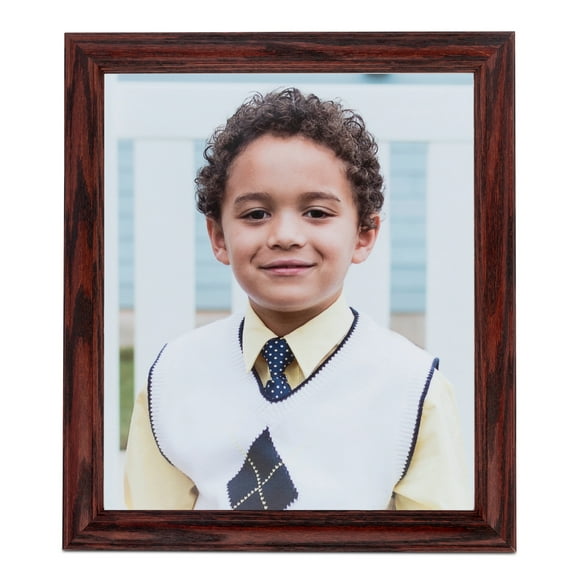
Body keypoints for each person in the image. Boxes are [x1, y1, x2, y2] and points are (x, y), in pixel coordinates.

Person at [124, 87, 471, 510]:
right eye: (256, 214)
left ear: (364, 234)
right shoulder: (173, 376)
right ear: (218, 237)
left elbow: (438, 542)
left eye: (317, 213)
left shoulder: (414, 388)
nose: (285, 236)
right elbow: (150, 537)